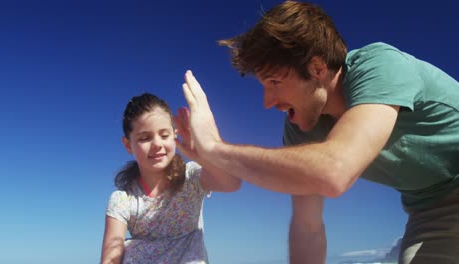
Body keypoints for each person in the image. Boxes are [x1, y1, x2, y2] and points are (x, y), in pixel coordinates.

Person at [175, 1, 459, 264]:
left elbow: (334, 170)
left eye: (274, 81)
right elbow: (307, 227)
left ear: (317, 67)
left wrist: (213, 147)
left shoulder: (379, 65)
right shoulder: (301, 129)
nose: (267, 102)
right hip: (432, 207)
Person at [100, 93, 241, 264]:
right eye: (145, 138)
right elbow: (111, 259)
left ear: (175, 136)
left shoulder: (191, 178)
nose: (157, 144)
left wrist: (203, 155)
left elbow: (232, 182)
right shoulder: (123, 200)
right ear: (128, 145)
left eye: (164, 135)